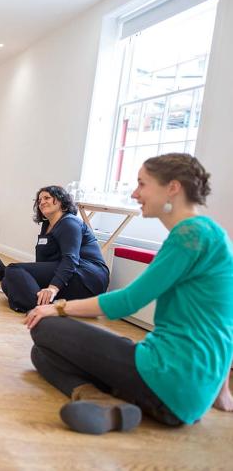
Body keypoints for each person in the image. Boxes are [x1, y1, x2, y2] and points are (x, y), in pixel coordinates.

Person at [24, 154, 233, 434]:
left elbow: (127, 301)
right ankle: (110, 406)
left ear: (173, 187)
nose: (135, 193)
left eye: (142, 184)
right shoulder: (212, 234)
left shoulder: (189, 235)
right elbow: (225, 319)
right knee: (41, 354)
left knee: (44, 328)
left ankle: (103, 398)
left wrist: (56, 308)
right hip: (186, 396)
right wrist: (220, 391)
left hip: (168, 376)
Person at [2, 185, 109, 312]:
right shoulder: (47, 225)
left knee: (13, 270)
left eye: (47, 197)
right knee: (6, 281)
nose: (42, 202)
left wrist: (52, 288)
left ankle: (41, 308)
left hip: (86, 277)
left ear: (61, 200)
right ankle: (50, 304)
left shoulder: (69, 223)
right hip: (68, 274)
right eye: (39, 200)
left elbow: (71, 259)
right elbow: (42, 262)